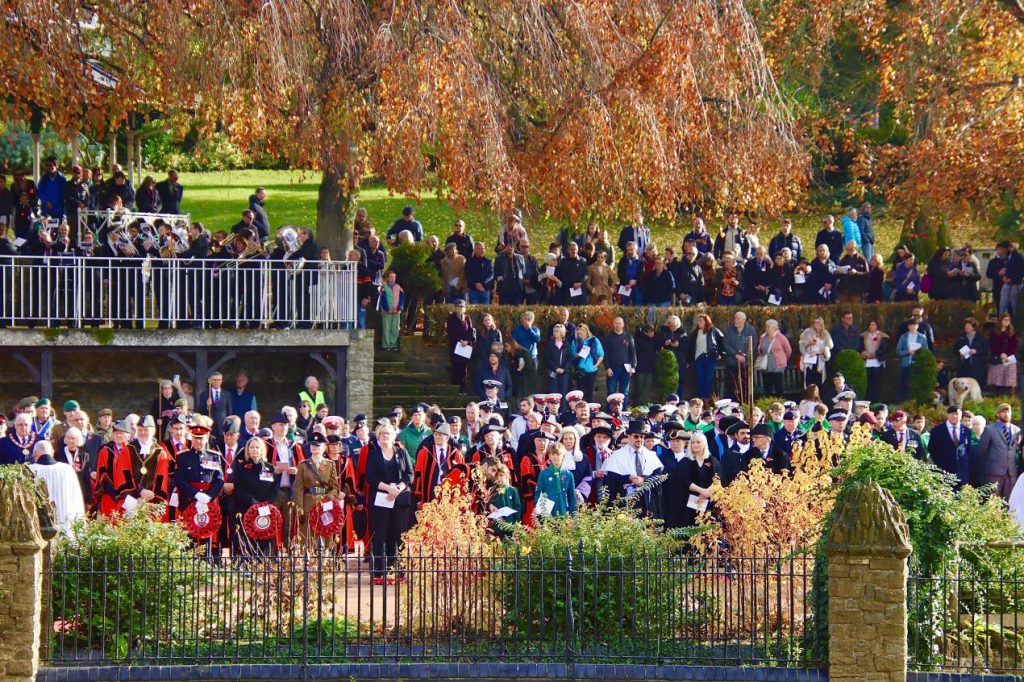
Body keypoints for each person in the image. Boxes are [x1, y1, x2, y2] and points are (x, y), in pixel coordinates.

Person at [365, 422, 414, 583]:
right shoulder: (373, 454)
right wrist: (388, 488)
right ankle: (379, 573)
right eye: (383, 433)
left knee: (398, 535)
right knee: (380, 535)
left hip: (399, 500)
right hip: (381, 500)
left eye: (388, 433)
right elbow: (370, 477)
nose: (386, 435)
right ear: (378, 436)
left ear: (394, 436)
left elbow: (410, 474)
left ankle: (397, 573)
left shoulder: (401, 452)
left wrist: (398, 488)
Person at [597, 420, 663, 518]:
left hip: (646, 501)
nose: (639, 439)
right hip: (625, 500)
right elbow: (610, 480)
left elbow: (658, 475)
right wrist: (627, 478)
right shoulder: (617, 455)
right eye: (636, 436)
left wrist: (643, 480)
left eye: (642, 436)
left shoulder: (651, 455)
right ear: (629, 437)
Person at [233, 437, 281, 555]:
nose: (254, 450)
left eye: (257, 447)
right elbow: (239, 487)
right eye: (252, 447)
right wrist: (253, 503)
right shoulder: (241, 467)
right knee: (249, 537)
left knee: (265, 535)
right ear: (247, 450)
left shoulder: (270, 468)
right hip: (247, 507)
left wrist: (265, 504)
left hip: (266, 509)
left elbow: (274, 489)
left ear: (262, 450)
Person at [28, 440, 86, 536]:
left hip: (39, 523)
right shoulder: (67, 470)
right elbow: (76, 499)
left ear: (35, 454)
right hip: (65, 519)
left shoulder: (29, 470)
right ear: (52, 452)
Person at [292, 433, 341, 546]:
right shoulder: (303, 465)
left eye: (318, 445)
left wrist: (329, 498)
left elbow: (334, 487)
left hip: (325, 504)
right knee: (307, 536)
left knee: (325, 534)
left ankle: (324, 561)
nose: (314, 447)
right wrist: (299, 509)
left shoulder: (330, 465)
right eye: (312, 445)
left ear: (324, 447)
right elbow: (298, 488)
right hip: (308, 503)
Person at [928, 406, 972, 489]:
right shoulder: (937, 430)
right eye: (952, 414)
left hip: (962, 473)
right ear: (947, 415)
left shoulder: (967, 431)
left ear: (961, 415)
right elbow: (932, 448)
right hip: (944, 471)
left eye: (957, 414)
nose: (954, 416)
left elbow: (969, 450)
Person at [534, 444, 577, 518]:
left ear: (563, 456)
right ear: (549, 456)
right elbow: (539, 492)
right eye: (552, 454)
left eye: (558, 454)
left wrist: (574, 515)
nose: (555, 456)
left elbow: (571, 497)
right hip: (547, 513)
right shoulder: (543, 474)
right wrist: (536, 508)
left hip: (563, 512)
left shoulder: (569, 475)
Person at [723, 311, 758, 402]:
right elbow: (725, 344)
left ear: (744, 320)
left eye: (738, 319)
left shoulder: (751, 330)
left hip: (745, 363)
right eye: (735, 318)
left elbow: (753, 345)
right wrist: (735, 355)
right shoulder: (728, 330)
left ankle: (746, 403)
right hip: (732, 363)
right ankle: (731, 404)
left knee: (745, 385)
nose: (735, 320)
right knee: (731, 385)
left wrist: (744, 356)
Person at [690, 314, 724, 400]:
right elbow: (691, 346)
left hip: (710, 357)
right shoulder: (695, 332)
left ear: (706, 322)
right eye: (698, 321)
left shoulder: (713, 330)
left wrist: (719, 353)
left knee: (708, 379)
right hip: (698, 358)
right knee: (699, 379)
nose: (699, 323)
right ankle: (701, 398)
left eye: (701, 321)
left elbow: (721, 340)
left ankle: (707, 399)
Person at [603, 317, 637, 403]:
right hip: (612, 369)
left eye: (619, 323)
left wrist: (633, 367)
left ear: (623, 325)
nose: (618, 325)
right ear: (613, 325)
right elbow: (605, 354)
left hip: (626, 369)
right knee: (611, 392)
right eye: (616, 323)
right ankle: (610, 412)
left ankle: (623, 412)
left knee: (624, 392)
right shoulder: (608, 338)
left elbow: (633, 353)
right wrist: (607, 367)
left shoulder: (628, 337)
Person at [757, 319, 792, 397]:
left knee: (778, 387)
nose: (766, 328)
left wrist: (782, 359)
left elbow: (788, 350)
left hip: (778, 367)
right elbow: (760, 349)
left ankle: (780, 405)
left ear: (774, 327)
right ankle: (768, 404)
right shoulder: (763, 337)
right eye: (766, 326)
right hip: (766, 366)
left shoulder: (781, 337)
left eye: (768, 326)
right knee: (767, 387)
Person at [570, 324, 604, 402]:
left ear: (586, 332)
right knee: (580, 392)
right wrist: (578, 354)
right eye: (578, 334)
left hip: (591, 370)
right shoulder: (575, 342)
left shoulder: (594, 340)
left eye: (581, 333)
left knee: (590, 392)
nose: (579, 335)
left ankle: (589, 410)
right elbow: (572, 356)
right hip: (580, 370)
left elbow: (601, 354)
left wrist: (596, 365)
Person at [987, 313, 1018, 395]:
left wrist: (1007, 355)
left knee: (1008, 382)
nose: (1007, 322)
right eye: (1005, 320)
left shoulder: (1012, 333)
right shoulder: (993, 333)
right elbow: (992, 345)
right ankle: (997, 397)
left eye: (1008, 320)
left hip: (1009, 359)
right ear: (1000, 321)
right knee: (998, 382)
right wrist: (1001, 354)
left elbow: (1014, 346)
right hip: (998, 358)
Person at [954, 317, 989, 389]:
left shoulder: (981, 338)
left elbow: (986, 350)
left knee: (976, 387)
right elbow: (955, 349)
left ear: (974, 327)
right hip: (964, 366)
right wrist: (959, 353)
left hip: (977, 366)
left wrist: (976, 351)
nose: (966, 328)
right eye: (966, 326)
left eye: (969, 326)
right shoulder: (961, 337)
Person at [859, 320, 889, 403]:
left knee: (877, 384)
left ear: (877, 326)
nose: (871, 327)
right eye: (870, 325)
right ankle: (868, 401)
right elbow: (860, 347)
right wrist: (864, 353)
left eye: (873, 325)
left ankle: (877, 402)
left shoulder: (882, 336)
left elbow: (884, 349)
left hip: (877, 363)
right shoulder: (863, 335)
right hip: (867, 363)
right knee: (868, 384)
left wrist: (874, 354)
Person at [799, 318, 833, 389]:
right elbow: (801, 343)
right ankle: (809, 397)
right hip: (809, 358)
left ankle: (818, 397)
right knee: (809, 379)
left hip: (819, 359)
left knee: (818, 380)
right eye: (814, 322)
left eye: (818, 322)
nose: (816, 324)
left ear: (821, 323)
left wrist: (819, 352)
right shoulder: (807, 331)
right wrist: (808, 343)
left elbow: (829, 346)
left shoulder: (825, 333)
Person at [378, 269, 404, 352]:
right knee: (386, 327)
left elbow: (402, 299)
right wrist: (387, 309)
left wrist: (398, 308)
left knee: (395, 328)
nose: (393, 279)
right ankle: (386, 345)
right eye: (391, 277)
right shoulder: (384, 288)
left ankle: (394, 345)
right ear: (387, 278)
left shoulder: (399, 287)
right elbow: (383, 299)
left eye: (394, 277)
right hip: (387, 311)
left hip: (396, 311)